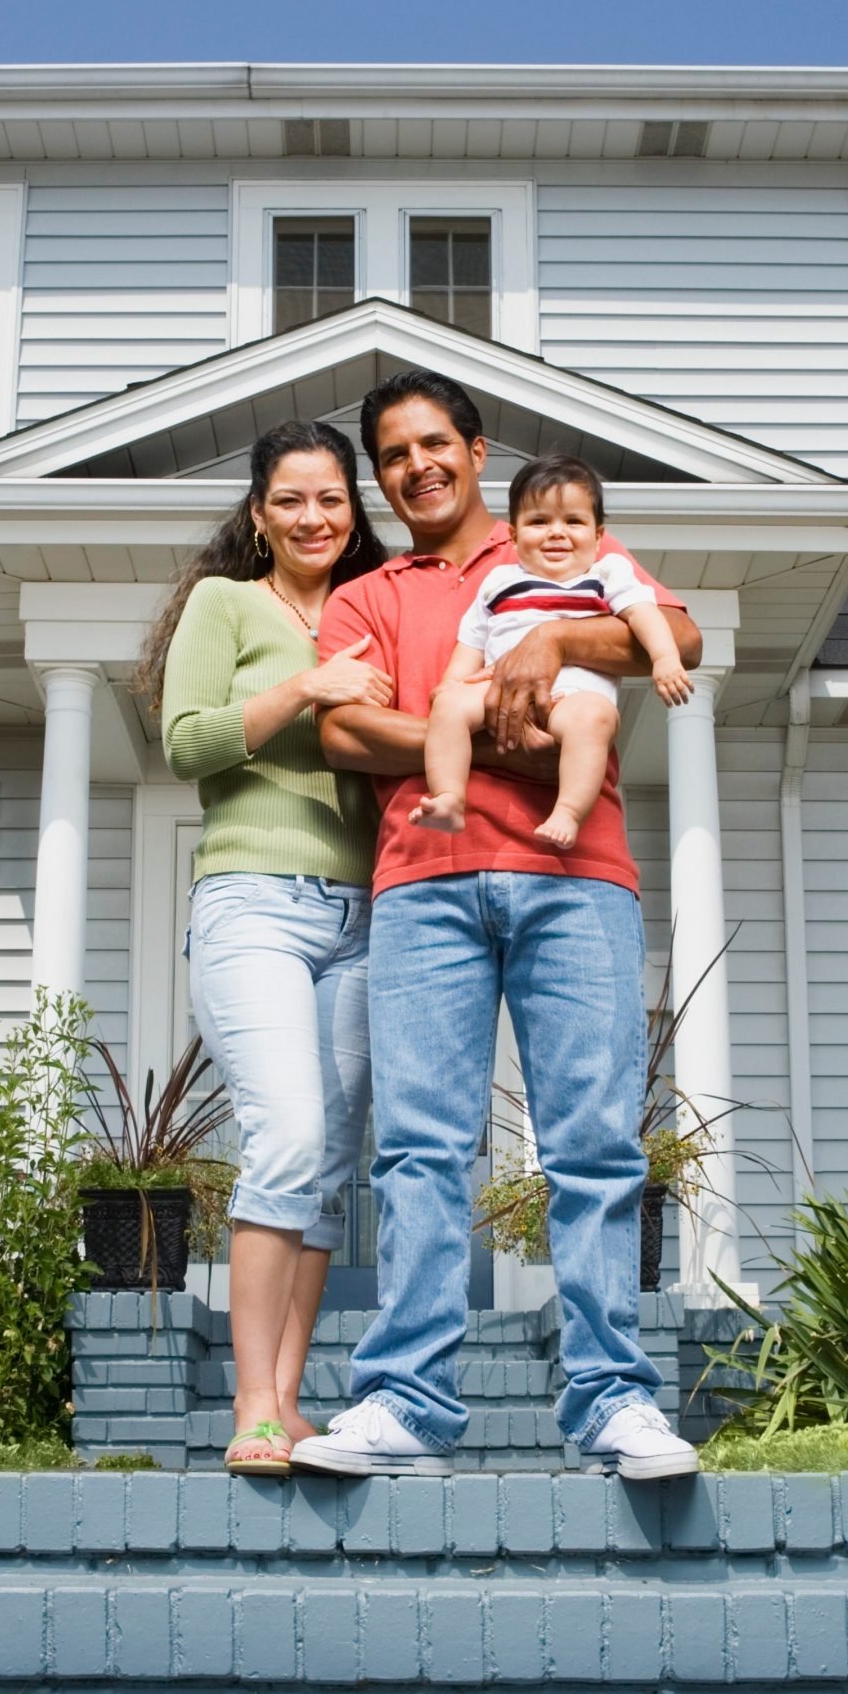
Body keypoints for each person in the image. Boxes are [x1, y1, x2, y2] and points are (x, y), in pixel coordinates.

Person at [290, 370, 705, 1481]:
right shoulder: (369, 595)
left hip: (577, 875)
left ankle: (613, 1401)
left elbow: (676, 633)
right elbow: (342, 734)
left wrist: (553, 648)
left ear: (476, 452)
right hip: (423, 881)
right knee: (419, 1148)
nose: (414, 465)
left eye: (434, 443)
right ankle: (405, 1403)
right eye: (391, 454)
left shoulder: (550, 543)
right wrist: (478, 734)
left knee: (592, 1145)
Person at [140, 420, 392, 1476]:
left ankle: (290, 1405)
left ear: (352, 508)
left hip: (362, 913)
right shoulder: (225, 603)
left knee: (327, 1164)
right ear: (259, 513)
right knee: (285, 1131)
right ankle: (248, 1407)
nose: (312, 517)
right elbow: (185, 738)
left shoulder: (370, 610)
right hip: (252, 901)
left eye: (331, 499)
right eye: (290, 500)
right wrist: (307, 687)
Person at [412, 453, 692, 849]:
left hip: (573, 699)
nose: (556, 533)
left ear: (598, 537)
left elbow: (644, 614)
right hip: (499, 695)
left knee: (596, 718)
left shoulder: (605, 575)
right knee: (449, 706)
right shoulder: (498, 581)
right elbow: (471, 639)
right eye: (539, 521)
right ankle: (449, 798)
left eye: (573, 521)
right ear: (513, 535)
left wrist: (664, 658)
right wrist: (450, 685)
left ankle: (569, 810)